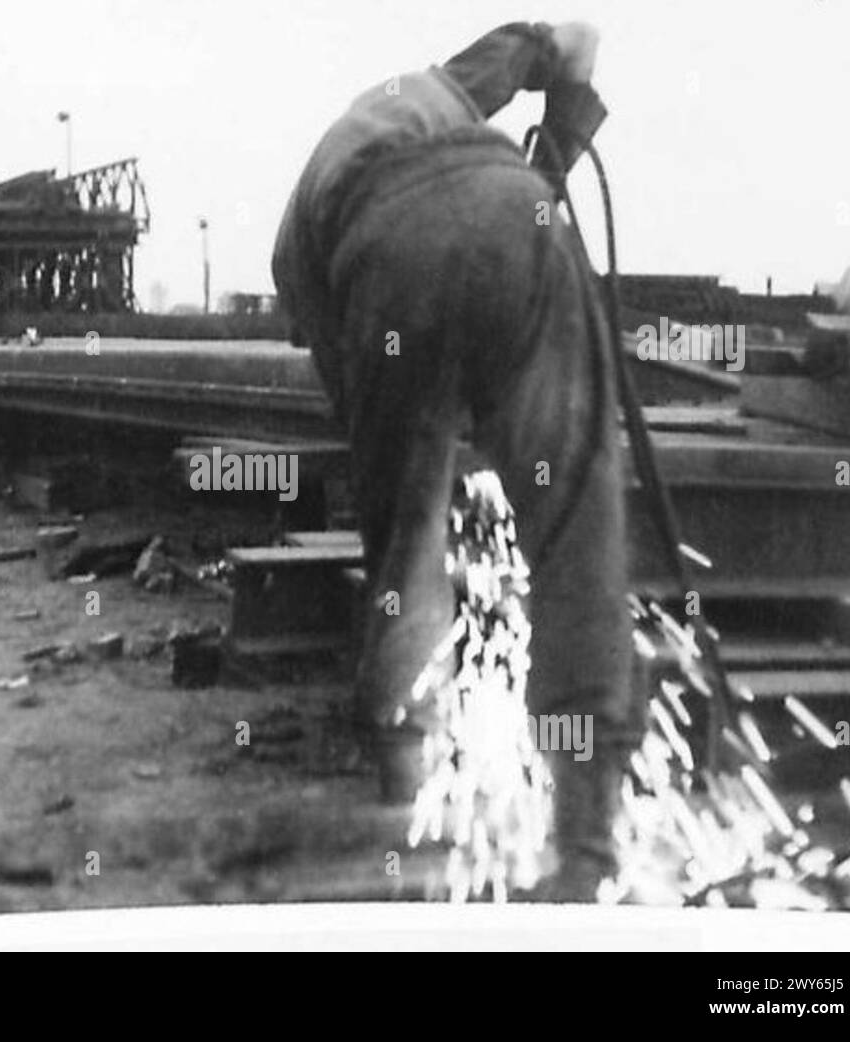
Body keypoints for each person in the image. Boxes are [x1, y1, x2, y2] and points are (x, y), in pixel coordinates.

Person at [272, 21, 640, 900]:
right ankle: (586, 843)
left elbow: (384, 436)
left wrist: (426, 446)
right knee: (577, 527)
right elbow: (554, 41)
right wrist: (562, 107)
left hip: (396, 249)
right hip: (525, 220)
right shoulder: (428, 91)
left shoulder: (302, 256)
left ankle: (409, 800)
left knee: (404, 540)